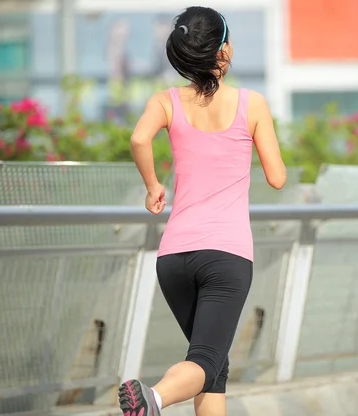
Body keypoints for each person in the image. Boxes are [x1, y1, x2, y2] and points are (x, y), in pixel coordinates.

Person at [118, 6, 286, 416]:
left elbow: (140, 139)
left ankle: (156, 399)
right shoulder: (252, 104)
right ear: (222, 51)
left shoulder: (165, 100)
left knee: (214, 368)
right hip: (226, 257)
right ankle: (152, 399)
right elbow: (278, 178)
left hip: (174, 258)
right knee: (207, 361)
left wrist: (154, 186)